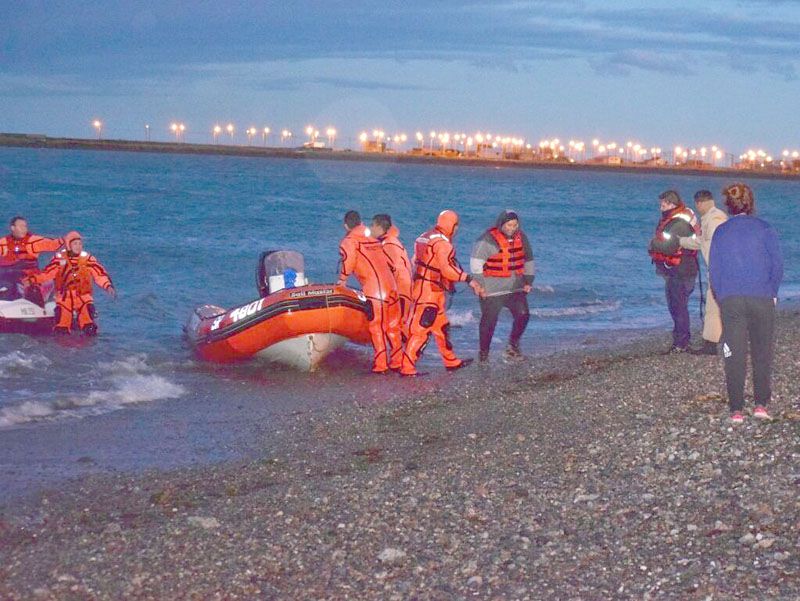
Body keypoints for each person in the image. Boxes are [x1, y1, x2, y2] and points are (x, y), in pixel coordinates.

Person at [709, 183, 783, 424]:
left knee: (734, 354)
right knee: (762, 352)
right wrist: (772, 291)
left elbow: (715, 270)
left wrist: (721, 296)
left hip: (732, 299)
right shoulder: (765, 229)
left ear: (728, 205)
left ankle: (736, 408)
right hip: (761, 296)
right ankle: (761, 404)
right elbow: (777, 265)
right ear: (750, 203)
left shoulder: (722, 231)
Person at [400, 210, 484, 376]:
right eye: (456, 225)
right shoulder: (443, 244)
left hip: (426, 289)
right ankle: (407, 368)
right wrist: (469, 279)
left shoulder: (424, 237)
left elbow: (414, 261)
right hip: (428, 292)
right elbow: (447, 270)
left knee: (441, 327)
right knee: (421, 330)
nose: (457, 229)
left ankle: (450, 361)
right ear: (451, 225)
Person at [338, 210, 403, 374]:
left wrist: (343, 280)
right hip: (392, 286)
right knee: (393, 327)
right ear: (360, 222)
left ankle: (381, 364)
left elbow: (349, 260)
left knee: (377, 327)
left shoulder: (349, 241)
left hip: (376, 290)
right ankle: (397, 361)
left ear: (346, 225)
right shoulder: (373, 239)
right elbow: (391, 263)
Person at [470, 209, 535, 362]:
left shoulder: (522, 238)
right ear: (501, 224)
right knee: (489, 322)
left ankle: (512, 346)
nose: (512, 228)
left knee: (523, 315)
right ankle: (483, 354)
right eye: (509, 225)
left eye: (515, 225)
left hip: (515, 287)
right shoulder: (486, 240)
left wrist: (528, 281)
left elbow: (529, 260)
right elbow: (475, 264)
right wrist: (479, 286)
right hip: (491, 290)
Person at [25, 231, 115, 336]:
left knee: (89, 327)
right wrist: (32, 280)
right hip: (64, 299)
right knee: (61, 329)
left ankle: (89, 349)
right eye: (75, 243)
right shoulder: (59, 259)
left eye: (80, 243)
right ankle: (62, 350)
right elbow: (47, 273)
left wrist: (107, 286)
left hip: (83, 298)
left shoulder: (88, 259)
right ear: (68, 245)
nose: (78, 246)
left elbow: (99, 274)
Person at [648, 190, 700, 353]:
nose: (661, 206)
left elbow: (670, 247)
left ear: (672, 204)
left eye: (664, 204)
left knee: (678, 307)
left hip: (681, 271)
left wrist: (653, 244)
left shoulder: (679, 223)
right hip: (676, 271)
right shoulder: (673, 220)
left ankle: (682, 342)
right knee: (676, 306)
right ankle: (680, 341)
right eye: (661, 203)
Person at [677, 190, 728, 355]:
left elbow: (713, 243)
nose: (697, 208)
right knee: (714, 306)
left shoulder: (714, 220)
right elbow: (701, 242)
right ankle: (713, 342)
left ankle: (712, 344)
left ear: (701, 203)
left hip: (719, 269)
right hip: (718, 269)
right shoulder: (713, 217)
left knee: (714, 307)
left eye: (697, 204)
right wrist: (681, 241)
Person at [0, 216, 64, 305]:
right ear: (12, 228)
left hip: (30, 277)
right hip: (8, 278)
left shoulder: (33, 241)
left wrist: (65, 240)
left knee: (32, 290)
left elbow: (52, 245)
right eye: (21, 226)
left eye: (25, 226)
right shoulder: (4, 242)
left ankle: (40, 307)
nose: (24, 229)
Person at [370, 214, 412, 338]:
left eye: (372, 226)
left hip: (401, 288)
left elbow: (391, 268)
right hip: (404, 287)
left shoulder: (387, 244)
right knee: (398, 325)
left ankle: (407, 356)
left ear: (379, 227)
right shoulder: (392, 241)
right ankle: (404, 354)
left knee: (399, 326)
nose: (371, 229)